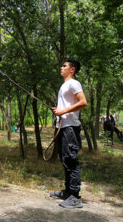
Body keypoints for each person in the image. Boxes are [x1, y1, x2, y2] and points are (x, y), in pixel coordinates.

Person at [50, 59, 88, 209]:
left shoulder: (74, 83)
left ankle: (75, 197)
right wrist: (59, 111)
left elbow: (83, 102)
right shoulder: (64, 85)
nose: (61, 67)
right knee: (65, 160)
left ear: (72, 70)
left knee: (71, 161)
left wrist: (62, 111)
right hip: (63, 127)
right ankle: (67, 192)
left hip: (70, 128)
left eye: (64, 66)